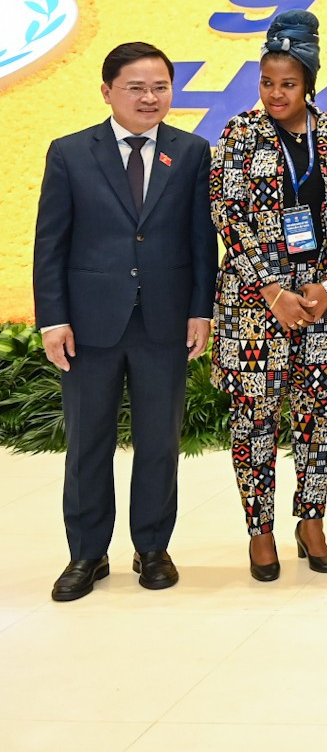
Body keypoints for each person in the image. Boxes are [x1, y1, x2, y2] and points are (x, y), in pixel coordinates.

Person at [34, 42, 217, 602]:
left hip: (163, 319)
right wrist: (53, 319)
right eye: (136, 87)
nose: (150, 97)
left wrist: (200, 309)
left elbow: (200, 240)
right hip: (90, 325)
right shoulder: (69, 153)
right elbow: (51, 243)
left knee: (159, 441)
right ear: (107, 90)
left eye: (160, 86)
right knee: (88, 441)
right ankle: (87, 554)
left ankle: (152, 546)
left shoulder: (189, 152)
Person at [210, 10, 327, 580]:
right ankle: (261, 529)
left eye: (288, 83)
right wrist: (271, 289)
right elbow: (227, 213)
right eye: (267, 83)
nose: (276, 93)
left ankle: (311, 520)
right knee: (255, 421)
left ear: (309, 83)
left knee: (319, 417)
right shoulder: (238, 134)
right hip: (255, 308)